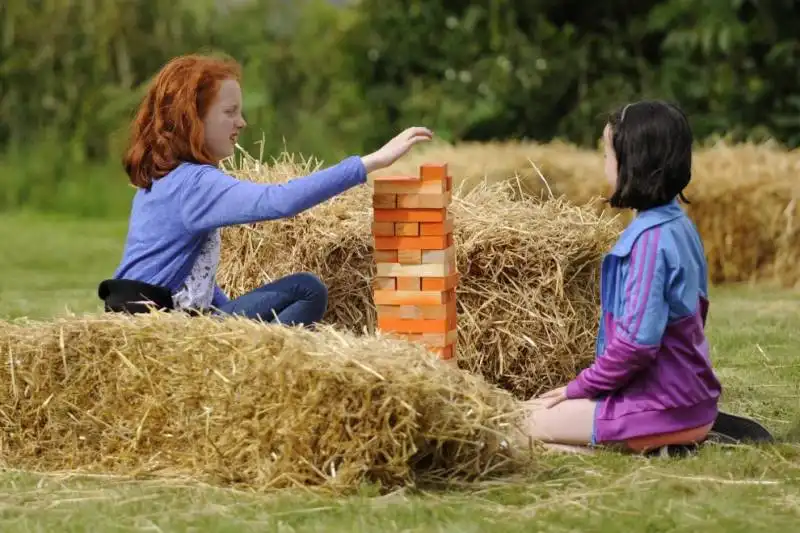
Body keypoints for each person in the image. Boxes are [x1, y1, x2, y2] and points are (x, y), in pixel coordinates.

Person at [105, 54, 433, 325]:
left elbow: (190, 274)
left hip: (148, 321)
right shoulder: (194, 183)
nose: (242, 122)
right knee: (307, 289)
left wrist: (235, 315)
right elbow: (278, 201)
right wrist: (370, 162)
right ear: (193, 119)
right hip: (163, 327)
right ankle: (269, 369)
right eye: (230, 112)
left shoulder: (162, 179)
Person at [516, 100, 723, 454]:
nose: (605, 166)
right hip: (691, 402)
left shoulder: (649, 241)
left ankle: (630, 445)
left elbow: (636, 346)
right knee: (530, 417)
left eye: (607, 155)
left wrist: (578, 388)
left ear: (633, 163)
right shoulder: (679, 226)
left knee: (512, 422)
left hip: (660, 411)